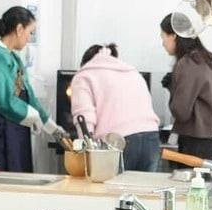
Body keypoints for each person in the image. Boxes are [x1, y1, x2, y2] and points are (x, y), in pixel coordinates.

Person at [0, 6, 60, 172]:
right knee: (0, 169)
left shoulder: (13, 57)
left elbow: (28, 95)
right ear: (19, 29)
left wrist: (52, 127)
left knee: (17, 167)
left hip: (13, 121)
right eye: (30, 32)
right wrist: (33, 117)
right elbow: (4, 100)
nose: (29, 38)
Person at [69, 43, 161, 172]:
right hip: (151, 137)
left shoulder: (84, 75)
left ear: (85, 63)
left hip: (117, 141)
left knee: (110, 190)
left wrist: (86, 148)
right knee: (145, 190)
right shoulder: (133, 72)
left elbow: (84, 116)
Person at [159, 15, 212, 169]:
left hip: (195, 143)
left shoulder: (188, 63)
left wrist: (172, 88)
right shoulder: (207, 60)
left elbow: (181, 112)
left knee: (190, 190)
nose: (162, 43)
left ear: (174, 36)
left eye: (163, 37)